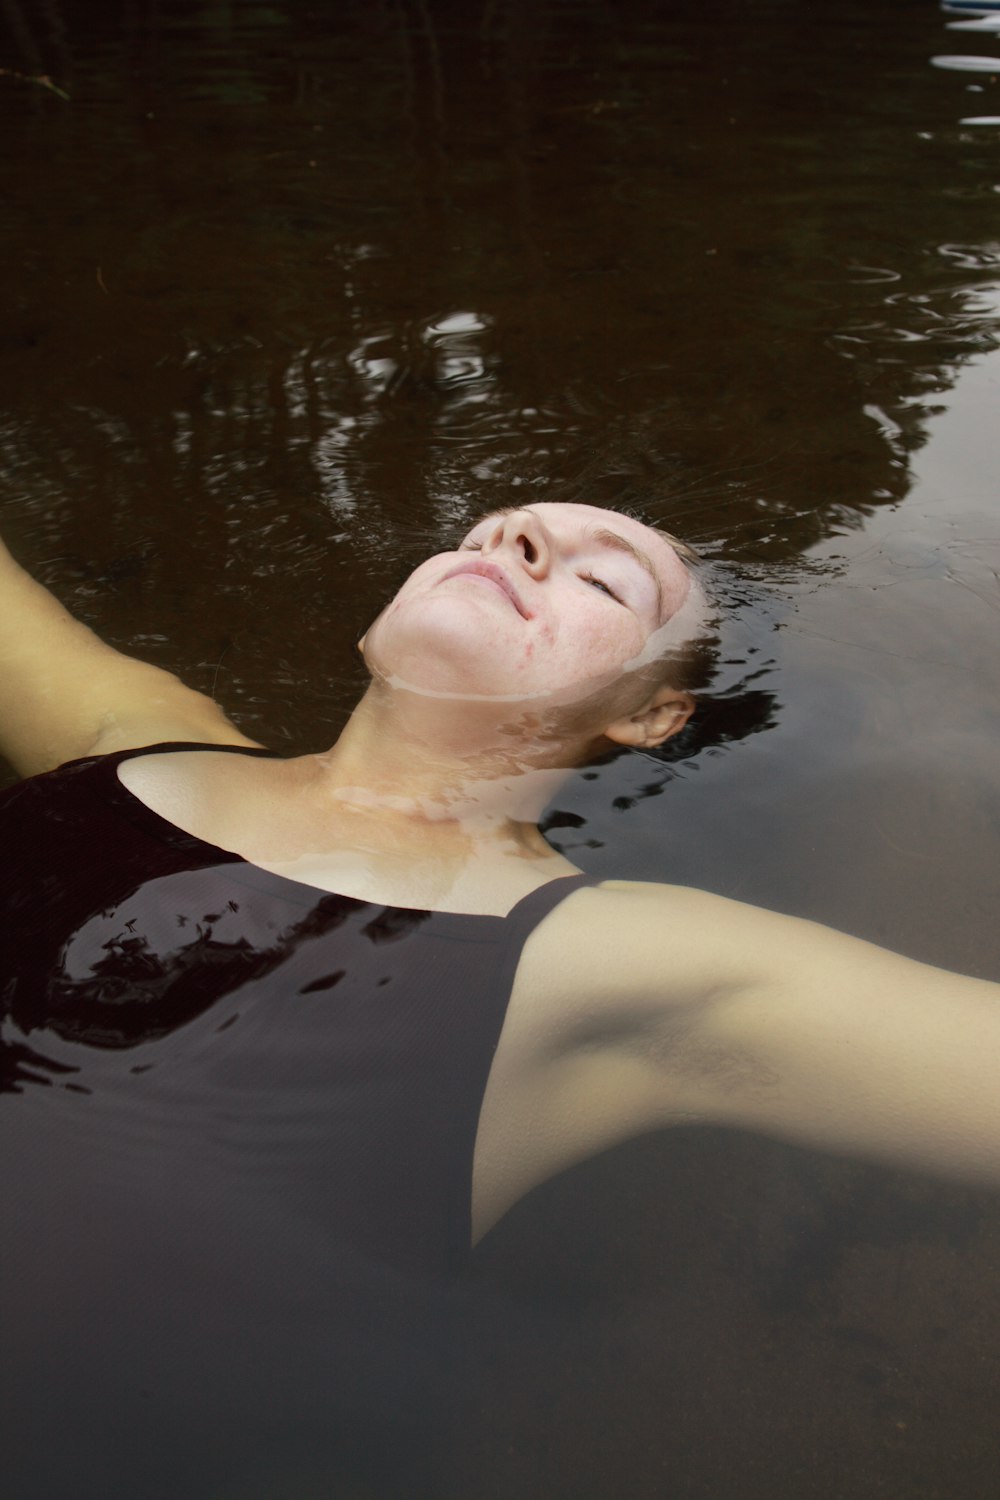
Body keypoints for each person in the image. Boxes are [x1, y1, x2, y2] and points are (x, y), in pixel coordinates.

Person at [1, 501, 999, 1498]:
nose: (516, 541)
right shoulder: (135, 741)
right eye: (489, 533)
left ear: (652, 714)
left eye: (606, 582)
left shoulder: (615, 962)